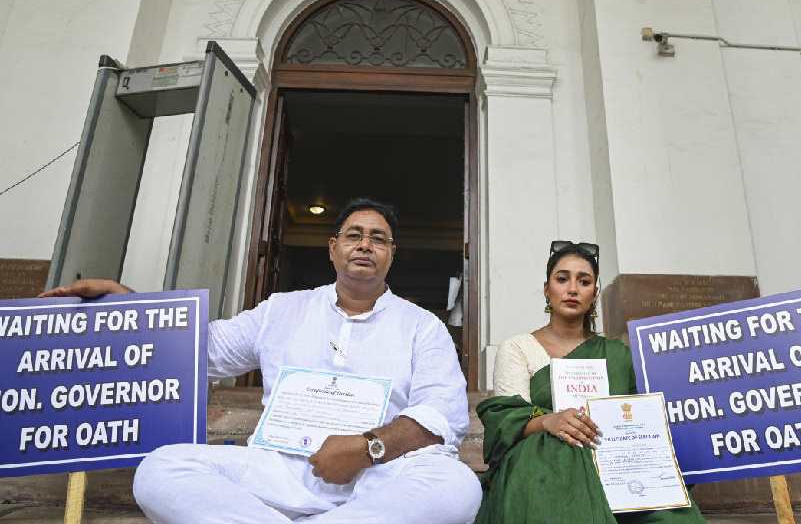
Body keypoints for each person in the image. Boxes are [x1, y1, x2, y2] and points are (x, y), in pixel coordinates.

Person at [42, 198, 482, 524]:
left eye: (378, 239)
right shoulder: (281, 309)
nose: (365, 245)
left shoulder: (422, 325)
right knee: (162, 469)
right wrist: (132, 306)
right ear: (332, 248)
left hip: (375, 480)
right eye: (354, 235)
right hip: (277, 470)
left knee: (455, 486)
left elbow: (440, 414)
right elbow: (202, 352)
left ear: (391, 254)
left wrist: (367, 447)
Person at [474, 241, 705, 524]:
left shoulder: (618, 354)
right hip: (543, 468)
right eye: (562, 279)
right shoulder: (519, 347)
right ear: (547, 289)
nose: (572, 289)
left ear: (594, 293)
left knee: (671, 516)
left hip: (616, 464)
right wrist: (550, 422)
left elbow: (639, 415)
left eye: (584, 281)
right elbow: (508, 417)